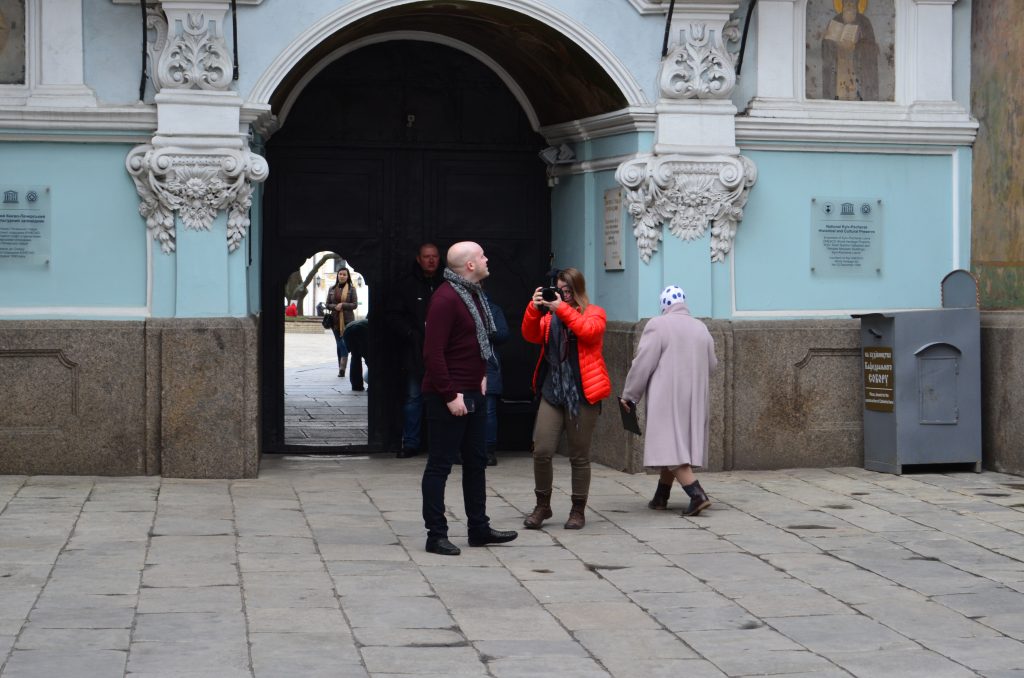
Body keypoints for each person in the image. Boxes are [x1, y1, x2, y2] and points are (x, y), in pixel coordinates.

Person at [420, 241, 518, 556]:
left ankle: (478, 528)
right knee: (440, 466)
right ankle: (436, 535)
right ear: (471, 265)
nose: (488, 258)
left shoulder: (475, 296)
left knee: (476, 463)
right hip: (449, 396)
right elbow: (432, 353)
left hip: (474, 392)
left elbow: (475, 344)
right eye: (482, 255)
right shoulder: (446, 299)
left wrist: (483, 374)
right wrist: (450, 395)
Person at [521, 267, 611, 531]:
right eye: (560, 290)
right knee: (542, 450)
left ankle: (577, 510)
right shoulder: (549, 318)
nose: (564, 295)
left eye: (569, 290)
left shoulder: (594, 312)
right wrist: (534, 308)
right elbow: (529, 334)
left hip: (583, 393)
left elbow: (588, 331)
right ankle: (542, 505)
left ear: (578, 289)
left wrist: (561, 309)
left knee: (579, 456)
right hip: (553, 391)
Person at [619, 286, 716, 517]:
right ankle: (661, 496)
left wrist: (630, 395)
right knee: (675, 443)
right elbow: (712, 365)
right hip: (694, 397)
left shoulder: (658, 325)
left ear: (664, 304)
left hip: (667, 396)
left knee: (670, 444)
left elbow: (643, 363)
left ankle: (696, 494)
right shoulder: (701, 328)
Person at [385, 243, 442, 458]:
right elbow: (393, 315)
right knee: (413, 397)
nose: (431, 260)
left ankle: (444, 445)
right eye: (426, 257)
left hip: (444, 352)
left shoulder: (448, 283)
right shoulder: (406, 286)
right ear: (418, 258)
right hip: (415, 352)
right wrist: (411, 334)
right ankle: (410, 442)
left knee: (446, 398)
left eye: (434, 256)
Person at [821, 0, 879, 101]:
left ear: (857, 4)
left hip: (857, 66)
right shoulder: (836, 20)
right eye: (846, 2)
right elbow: (826, 47)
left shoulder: (864, 22)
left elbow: (872, 47)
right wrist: (827, 39)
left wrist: (856, 46)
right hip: (840, 66)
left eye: (851, 2)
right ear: (842, 4)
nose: (848, 5)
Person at [483, 293, 509, 466]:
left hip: (488, 365)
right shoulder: (456, 304)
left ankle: (488, 450)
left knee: (488, 410)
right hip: (462, 365)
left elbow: (503, 334)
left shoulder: (492, 309)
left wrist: (483, 328)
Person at [327, 268, 358, 377]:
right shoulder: (331, 289)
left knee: (343, 343)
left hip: (348, 321)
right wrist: (335, 306)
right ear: (338, 275)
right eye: (340, 274)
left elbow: (355, 304)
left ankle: (342, 367)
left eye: (344, 274)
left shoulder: (351, 289)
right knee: (339, 343)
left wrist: (343, 305)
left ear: (348, 276)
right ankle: (341, 368)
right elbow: (327, 304)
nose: (342, 276)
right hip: (335, 320)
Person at [343, 317, 368, 392]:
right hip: (361, 330)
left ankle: (356, 386)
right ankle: (373, 385)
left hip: (348, 330)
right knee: (370, 359)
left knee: (355, 357)